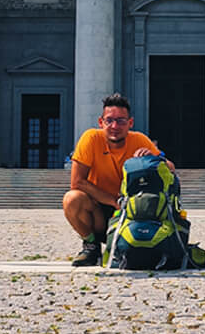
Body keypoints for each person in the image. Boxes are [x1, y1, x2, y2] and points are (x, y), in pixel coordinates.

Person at [63, 92, 160, 267]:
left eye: (121, 121)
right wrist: (113, 201)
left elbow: (170, 168)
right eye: (109, 120)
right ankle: (91, 246)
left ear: (130, 123)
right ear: (101, 122)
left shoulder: (139, 140)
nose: (115, 125)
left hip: (131, 214)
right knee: (72, 199)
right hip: (100, 210)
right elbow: (77, 182)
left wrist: (152, 159)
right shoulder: (91, 138)